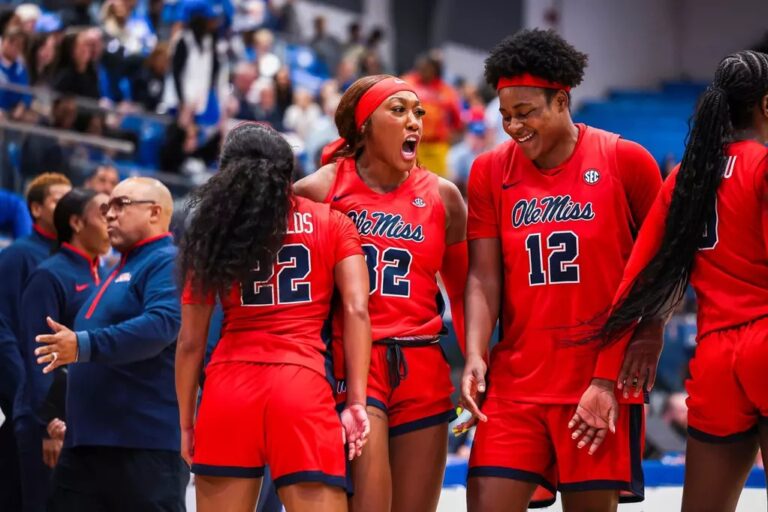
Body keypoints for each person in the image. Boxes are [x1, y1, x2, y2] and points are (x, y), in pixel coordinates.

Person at [459, 29, 663, 511]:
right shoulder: (489, 171)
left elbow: (661, 269)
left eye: (526, 113)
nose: (513, 126)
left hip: (598, 380)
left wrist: (648, 336)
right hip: (516, 382)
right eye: (506, 115)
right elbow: (482, 277)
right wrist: (474, 354)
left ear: (562, 100)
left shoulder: (625, 160)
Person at [586, 50, 768, 512]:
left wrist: (604, 379)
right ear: (766, 106)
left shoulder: (687, 176)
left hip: (715, 358)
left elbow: (635, 280)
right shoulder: (763, 167)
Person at [176, 122, 371, 512]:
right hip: (302, 385)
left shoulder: (214, 235)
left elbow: (191, 342)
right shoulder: (332, 222)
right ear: (289, 170)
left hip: (228, 387)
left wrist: (186, 420)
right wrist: (357, 402)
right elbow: (356, 310)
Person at [294, 74, 468, 512]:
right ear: (365, 125)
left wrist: (476, 359)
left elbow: (468, 290)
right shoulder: (322, 188)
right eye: (399, 110)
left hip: (424, 361)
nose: (414, 122)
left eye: (418, 113)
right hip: (356, 360)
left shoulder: (445, 197)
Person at [33, 177, 186, 512]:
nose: (110, 215)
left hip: (141, 447)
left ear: (155, 213)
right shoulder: (120, 267)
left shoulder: (167, 260)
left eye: (121, 205)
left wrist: (83, 345)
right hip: (88, 443)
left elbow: (161, 325)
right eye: (105, 208)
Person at [16, 188, 109, 512]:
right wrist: (49, 424)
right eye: (103, 213)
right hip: (47, 421)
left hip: (81, 422)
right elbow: (38, 355)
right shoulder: (49, 274)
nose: (111, 220)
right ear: (76, 222)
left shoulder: (105, 273)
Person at [0, 173, 70, 511]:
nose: (66, 206)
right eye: (58, 199)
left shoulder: (70, 258)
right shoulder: (19, 256)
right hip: (29, 399)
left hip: (52, 402)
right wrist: (23, 394)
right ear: (37, 208)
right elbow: (4, 329)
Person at [402, 52, 463, 178]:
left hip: (438, 147)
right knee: (411, 181)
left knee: (438, 184)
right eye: (420, 68)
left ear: (434, 69)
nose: (423, 71)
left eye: (426, 68)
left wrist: (453, 134)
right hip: (413, 144)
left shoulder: (446, 91)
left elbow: (457, 119)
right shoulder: (407, 84)